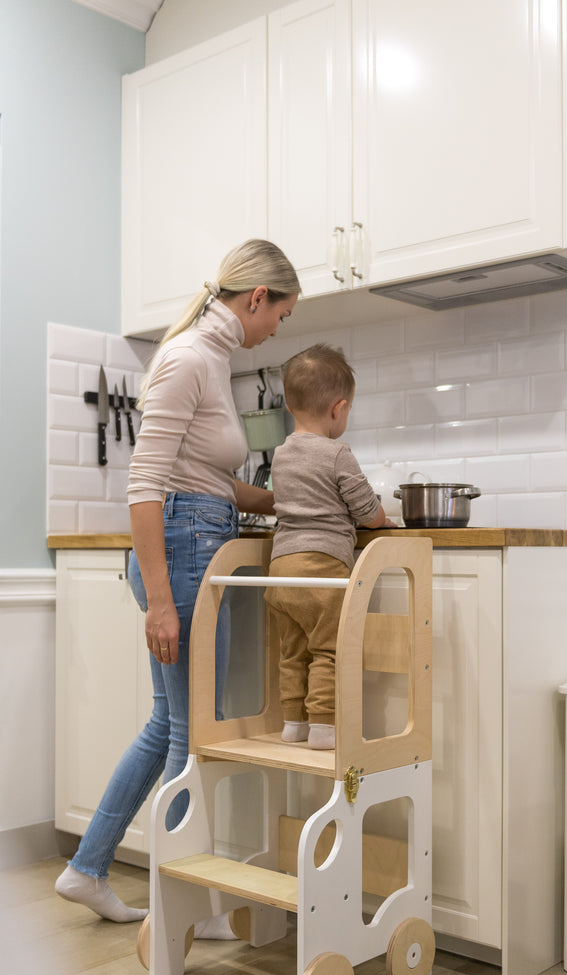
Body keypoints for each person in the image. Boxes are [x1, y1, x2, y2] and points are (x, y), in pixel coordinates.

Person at [55, 239, 300, 927]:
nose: (277, 329)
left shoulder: (211, 359)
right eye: (279, 315)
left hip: (199, 536)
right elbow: (147, 483)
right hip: (185, 551)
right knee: (193, 734)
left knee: (172, 724)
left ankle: (88, 867)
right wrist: (160, 603)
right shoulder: (192, 358)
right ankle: (185, 899)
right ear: (257, 299)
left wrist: (286, 498)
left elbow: (210, 478)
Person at [264, 344, 394, 752]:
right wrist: (381, 520)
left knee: (293, 651)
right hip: (322, 568)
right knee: (329, 649)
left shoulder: (281, 455)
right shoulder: (338, 453)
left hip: (281, 567)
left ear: (289, 403)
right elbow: (364, 507)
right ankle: (323, 726)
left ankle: (292, 724)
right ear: (339, 408)